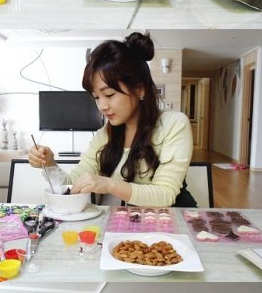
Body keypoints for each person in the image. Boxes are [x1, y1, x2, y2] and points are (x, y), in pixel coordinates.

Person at [28, 32, 195, 207]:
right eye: (96, 97)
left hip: (175, 219)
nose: (102, 106)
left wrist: (109, 185)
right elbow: (74, 185)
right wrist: (49, 165)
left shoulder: (173, 124)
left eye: (109, 94)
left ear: (139, 89)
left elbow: (165, 194)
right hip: (132, 220)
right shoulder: (104, 136)